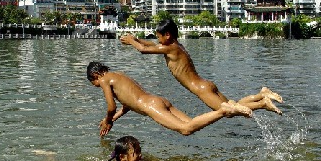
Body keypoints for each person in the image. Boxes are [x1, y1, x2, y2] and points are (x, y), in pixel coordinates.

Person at [120, 18, 283, 115]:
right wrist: (137, 38)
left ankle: (263, 104)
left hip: (201, 89)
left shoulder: (169, 48)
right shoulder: (175, 46)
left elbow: (143, 50)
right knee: (234, 103)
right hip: (206, 84)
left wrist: (132, 41)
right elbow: (150, 45)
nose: (158, 40)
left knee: (228, 111)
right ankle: (261, 94)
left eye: (159, 36)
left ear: (167, 35)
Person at [86, 61, 252, 137]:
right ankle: (227, 109)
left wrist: (108, 119)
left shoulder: (104, 79)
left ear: (95, 75)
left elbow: (111, 107)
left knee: (186, 130)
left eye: (93, 83)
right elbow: (127, 104)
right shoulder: (118, 75)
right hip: (158, 100)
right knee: (192, 124)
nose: (96, 85)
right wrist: (112, 119)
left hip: (150, 105)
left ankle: (223, 110)